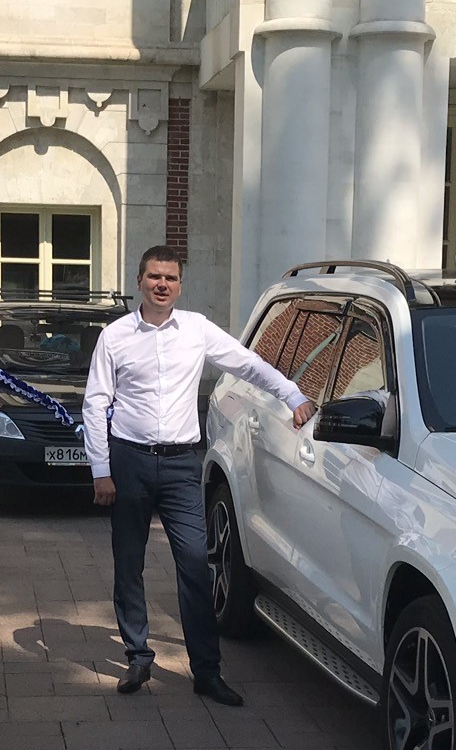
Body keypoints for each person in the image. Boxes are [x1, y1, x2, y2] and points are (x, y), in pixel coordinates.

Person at [83, 246, 314, 705]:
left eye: (170, 278)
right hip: (129, 461)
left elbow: (247, 364)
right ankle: (137, 657)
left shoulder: (197, 329)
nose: (162, 285)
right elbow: (95, 403)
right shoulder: (115, 336)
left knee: (194, 564)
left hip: (181, 465)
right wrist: (100, 470)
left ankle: (206, 671)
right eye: (154, 276)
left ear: (180, 285)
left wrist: (293, 395)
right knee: (128, 563)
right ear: (139, 280)